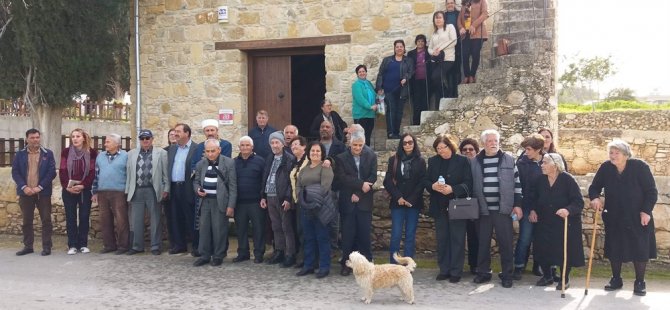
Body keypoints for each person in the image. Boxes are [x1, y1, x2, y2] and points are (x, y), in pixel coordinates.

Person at [588, 140, 658, 296]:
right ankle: (616, 279)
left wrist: (646, 211)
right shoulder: (606, 168)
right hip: (614, 214)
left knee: (640, 247)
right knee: (614, 247)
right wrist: (595, 198)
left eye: (616, 153)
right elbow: (594, 187)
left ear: (626, 154)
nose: (613, 156)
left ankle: (640, 281)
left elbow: (651, 191)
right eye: (611, 153)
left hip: (638, 215)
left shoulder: (640, 167)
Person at [470, 129, 523, 288]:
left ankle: (507, 275)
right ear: (483, 143)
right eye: (489, 141)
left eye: (495, 141)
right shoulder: (475, 161)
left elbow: (517, 184)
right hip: (483, 210)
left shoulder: (508, 159)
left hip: (503, 210)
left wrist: (518, 205)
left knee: (506, 244)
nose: (493, 144)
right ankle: (483, 273)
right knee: (483, 244)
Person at [529, 153, 585, 290]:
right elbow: (533, 198)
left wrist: (567, 210)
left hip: (564, 222)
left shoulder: (567, 179)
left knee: (564, 250)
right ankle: (547, 276)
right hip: (544, 220)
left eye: (545, 162)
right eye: (542, 162)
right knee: (543, 248)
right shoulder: (540, 180)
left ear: (555, 165)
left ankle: (564, 279)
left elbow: (578, 201)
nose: (542, 165)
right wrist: (532, 210)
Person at [423, 135, 472, 282]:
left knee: (457, 239)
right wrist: (432, 186)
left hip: (457, 205)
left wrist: (453, 189)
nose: (440, 151)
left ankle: (456, 271)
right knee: (442, 239)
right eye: (437, 149)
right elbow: (425, 180)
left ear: (450, 147)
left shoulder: (463, 161)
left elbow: (469, 183)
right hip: (439, 206)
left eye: (442, 148)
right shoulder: (433, 161)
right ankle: (444, 269)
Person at [334, 131, 377, 276]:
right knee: (348, 235)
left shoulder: (371, 156)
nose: (357, 148)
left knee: (364, 235)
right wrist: (360, 185)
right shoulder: (341, 158)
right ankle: (347, 263)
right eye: (355, 145)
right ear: (349, 144)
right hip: (348, 200)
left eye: (360, 145)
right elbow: (342, 177)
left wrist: (359, 193)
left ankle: (367, 264)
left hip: (364, 200)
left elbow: (372, 176)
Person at [12, 128, 56, 256]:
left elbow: (51, 172)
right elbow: (15, 172)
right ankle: (28, 246)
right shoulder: (19, 154)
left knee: (46, 220)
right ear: (27, 139)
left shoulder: (48, 153)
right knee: (27, 221)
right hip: (25, 192)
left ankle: (47, 247)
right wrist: (24, 187)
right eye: (32, 138)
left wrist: (40, 187)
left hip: (43, 193)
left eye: (37, 137)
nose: (35, 140)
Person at [192, 139, 237, 267]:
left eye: (213, 151)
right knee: (204, 229)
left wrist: (231, 205)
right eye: (208, 151)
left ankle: (218, 255)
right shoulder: (201, 164)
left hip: (220, 201)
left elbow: (233, 186)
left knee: (219, 230)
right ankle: (205, 255)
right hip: (205, 201)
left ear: (219, 150)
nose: (210, 154)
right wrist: (198, 190)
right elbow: (195, 182)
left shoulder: (228, 163)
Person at [125, 130, 169, 255]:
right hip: (137, 189)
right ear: (139, 140)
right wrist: (127, 190)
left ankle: (155, 246)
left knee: (155, 219)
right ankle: (137, 246)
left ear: (152, 139)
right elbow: (129, 174)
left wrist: (166, 189)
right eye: (142, 138)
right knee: (136, 220)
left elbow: (166, 174)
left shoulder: (161, 153)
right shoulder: (131, 154)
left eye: (147, 138)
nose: (145, 140)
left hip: (153, 189)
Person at [295, 141, 336, 279]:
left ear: (322, 153)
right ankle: (309, 265)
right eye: (313, 151)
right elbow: (298, 185)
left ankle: (324, 267)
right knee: (308, 238)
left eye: (318, 151)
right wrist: (302, 199)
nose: (315, 153)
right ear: (309, 153)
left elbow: (325, 187)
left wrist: (312, 198)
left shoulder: (325, 167)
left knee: (322, 238)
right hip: (306, 208)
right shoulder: (305, 169)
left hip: (321, 208)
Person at [384, 134, 426, 264]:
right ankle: (394, 264)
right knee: (396, 235)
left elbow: (422, 181)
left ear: (414, 144)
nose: (408, 145)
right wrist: (399, 197)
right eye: (405, 143)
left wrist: (411, 199)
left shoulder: (420, 161)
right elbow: (388, 180)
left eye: (410, 142)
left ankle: (408, 265)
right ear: (401, 144)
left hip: (413, 203)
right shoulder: (394, 160)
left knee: (410, 236)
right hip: (398, 202)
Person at [261, 131, 297, 267]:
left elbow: (290, 181)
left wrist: (288, 198)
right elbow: (266, 177)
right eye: (272, 142)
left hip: (282, 197)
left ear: (282, 144)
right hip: (270, 196)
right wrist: (263, 196)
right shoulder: (269, 158)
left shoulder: (289, 159)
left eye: (277, 142)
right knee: (275, 226)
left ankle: (290, 254)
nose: (274, 145)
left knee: (286, 226)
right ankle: (279, 251)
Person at [59, 128, 97, 255]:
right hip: (68, 189)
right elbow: (63, 170)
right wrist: (67, 186)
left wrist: (83, 185)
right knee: (71, 217)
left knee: (84, 216)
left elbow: (92, 172)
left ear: (84, 138)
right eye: (73, 136)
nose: (75, 138)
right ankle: (72, 245)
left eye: (78, 136)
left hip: (85, 190)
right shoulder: (65, 152)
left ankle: (83, 244)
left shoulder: (91, 153)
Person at [512, 134, 545, 279]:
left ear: (539, 149)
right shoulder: (522, 163)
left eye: (529, 149)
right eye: (526, 149)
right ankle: (519, 266)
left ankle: (538, 266)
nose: (527, 152)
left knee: (540, 238)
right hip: (526, 206)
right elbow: (522, 187)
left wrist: (537, 209)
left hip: (543, 207)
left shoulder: (548, 162)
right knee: (525, 238)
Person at [92, 134, 129, 255]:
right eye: (105, 142)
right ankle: (109, 245)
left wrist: (128, 191)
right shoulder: (100, 156)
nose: (105, 144)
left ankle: (123, 246)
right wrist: (95, 191)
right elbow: (96, 175)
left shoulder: (126, 156)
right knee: (105, 220)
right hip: (103, 192)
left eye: (108, 142)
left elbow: (129, 175)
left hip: (119, 192)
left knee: (121, 220)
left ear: (117, 144)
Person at [233, 136, 267, 264]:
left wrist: (263, 196)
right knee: (240, 229)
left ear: (252, 147)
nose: (245, 147)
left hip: (256, 202)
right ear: (239, 147)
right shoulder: (234, 162)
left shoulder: (260, 161)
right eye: (242, 145)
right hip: (240, 202)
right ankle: (243, 253)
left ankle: (259, 253)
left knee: (258, 229)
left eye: (247, 145)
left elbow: (264, 180)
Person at [167, 123, 198, 255]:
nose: (175, 134)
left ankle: (196, 246)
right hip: (174, 187)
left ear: (187, 133)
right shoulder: (172, 149)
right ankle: (179, 245)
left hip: (188, 188)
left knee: (191, 217)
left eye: (178, 131)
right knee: (176, 217)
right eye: (174, 132)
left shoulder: (196, 148)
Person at [376, 40, 414, 139]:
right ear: (394, 48)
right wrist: (379, 87)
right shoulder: (387, 60)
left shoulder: (408, 60)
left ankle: (396, 132)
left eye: (401, 46)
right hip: (388, 90)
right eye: (397, 46)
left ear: (404, 48)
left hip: (402, 90)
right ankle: (391, 133)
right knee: (391, 110)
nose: (399, 48)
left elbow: (411, 72)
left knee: (399, 112)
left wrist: (406, 77)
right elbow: (380, 74)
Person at [459, 138, 480, 274]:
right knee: (459, 237)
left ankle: (475, 265)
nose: (468, 151)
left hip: (477, 205)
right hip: (460, 205)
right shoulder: (458, 164)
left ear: (476, 151)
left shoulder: (480, 164)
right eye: (464, 149)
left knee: (475, 237)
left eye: (471, 149)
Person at [429, 11, 458, 105]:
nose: (438, 19)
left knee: (435, 76)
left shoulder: (450, 27)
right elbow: (429, 48)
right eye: (436, 18)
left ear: (444, 19)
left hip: (448, 58)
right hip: (437, 59)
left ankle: (447, 93)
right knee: (434, 78)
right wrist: (433, 52)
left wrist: (439, 49)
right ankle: (444, 95)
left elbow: (454, 41)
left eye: (440, 17)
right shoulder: (434, 33)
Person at [289, 136, 308, 268]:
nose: (294, 147)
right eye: (292, 145)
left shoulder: (309, 161)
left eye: (296, 144)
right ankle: (302, 257)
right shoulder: (295, 162)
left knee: (306, 230)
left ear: (304, 146)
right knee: (300, 230)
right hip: (297, 201)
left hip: (307, 201)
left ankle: (307, 259)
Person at [458, 0, 489, 84]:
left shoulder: (481, 1)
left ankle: (472, 75)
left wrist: (474, 25)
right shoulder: (464, 4)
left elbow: (484, 14)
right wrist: (461, 27)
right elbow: (459, 19)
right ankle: (467, 76)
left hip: (477, 33)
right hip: (466, 34)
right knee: (465, 55)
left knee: (475, 53)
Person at [351, 64, 377, 146]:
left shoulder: (369, 83)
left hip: (370, 115)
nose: (362, 73)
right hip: (361, 115)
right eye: (360, 72)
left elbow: (374, 95)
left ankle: (367, 156)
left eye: (363, 71)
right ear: (357, 74)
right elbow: (360, 99)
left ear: (366, 72)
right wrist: (370, 106)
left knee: (368, 136)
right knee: (360, 138)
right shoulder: (356, 85)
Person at [407, 35, 430, 123]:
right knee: (416, 101)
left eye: (422, 41)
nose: (420, 43)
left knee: (425, 100)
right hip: (415, 80)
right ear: (416, 42)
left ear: (425, 43)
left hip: (426, 80)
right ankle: (416, 121)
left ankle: (425, 121)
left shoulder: (428, 51)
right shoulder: (411, 53)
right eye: (419, 41)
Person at [444, 0, 462, 97]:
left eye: (452, 3)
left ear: (454, 4)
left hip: (458, 45)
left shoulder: (459, 14)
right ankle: (450, 92)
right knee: (448, 69)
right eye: (448, 3)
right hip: (447, 47)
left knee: (457, 68)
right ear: (446, 5)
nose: (450, 4)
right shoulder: (443, 16)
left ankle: (457, 92)